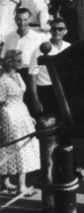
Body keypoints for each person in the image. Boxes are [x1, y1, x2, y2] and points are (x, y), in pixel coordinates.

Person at [0, 50, 37, 196]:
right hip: (9, 116)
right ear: (9, 62)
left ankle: (8, 183)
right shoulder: (2, 80)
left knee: (23, 147)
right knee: (15, 148)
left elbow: (21, 97)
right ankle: (21, 186)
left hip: (22, 113)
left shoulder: (19, 76)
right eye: (17, 60)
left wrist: (28, 116)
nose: (21, 62)